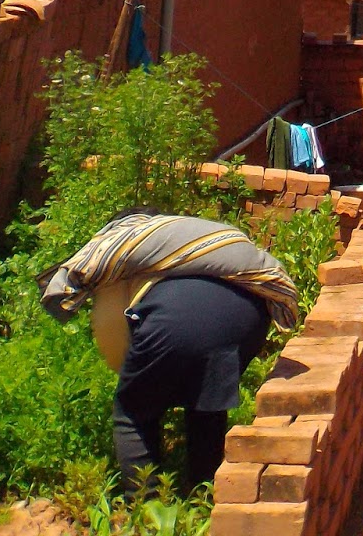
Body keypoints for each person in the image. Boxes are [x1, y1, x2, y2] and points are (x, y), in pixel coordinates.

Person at [40, 210, 298, 495]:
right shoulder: (194, 234)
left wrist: (145, 378)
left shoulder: (123, 243)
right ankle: (206, 493)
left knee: (133, 412)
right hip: (248, 317)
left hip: (176, 320)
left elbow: (112, 335)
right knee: (206, 402)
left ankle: (145, 506)